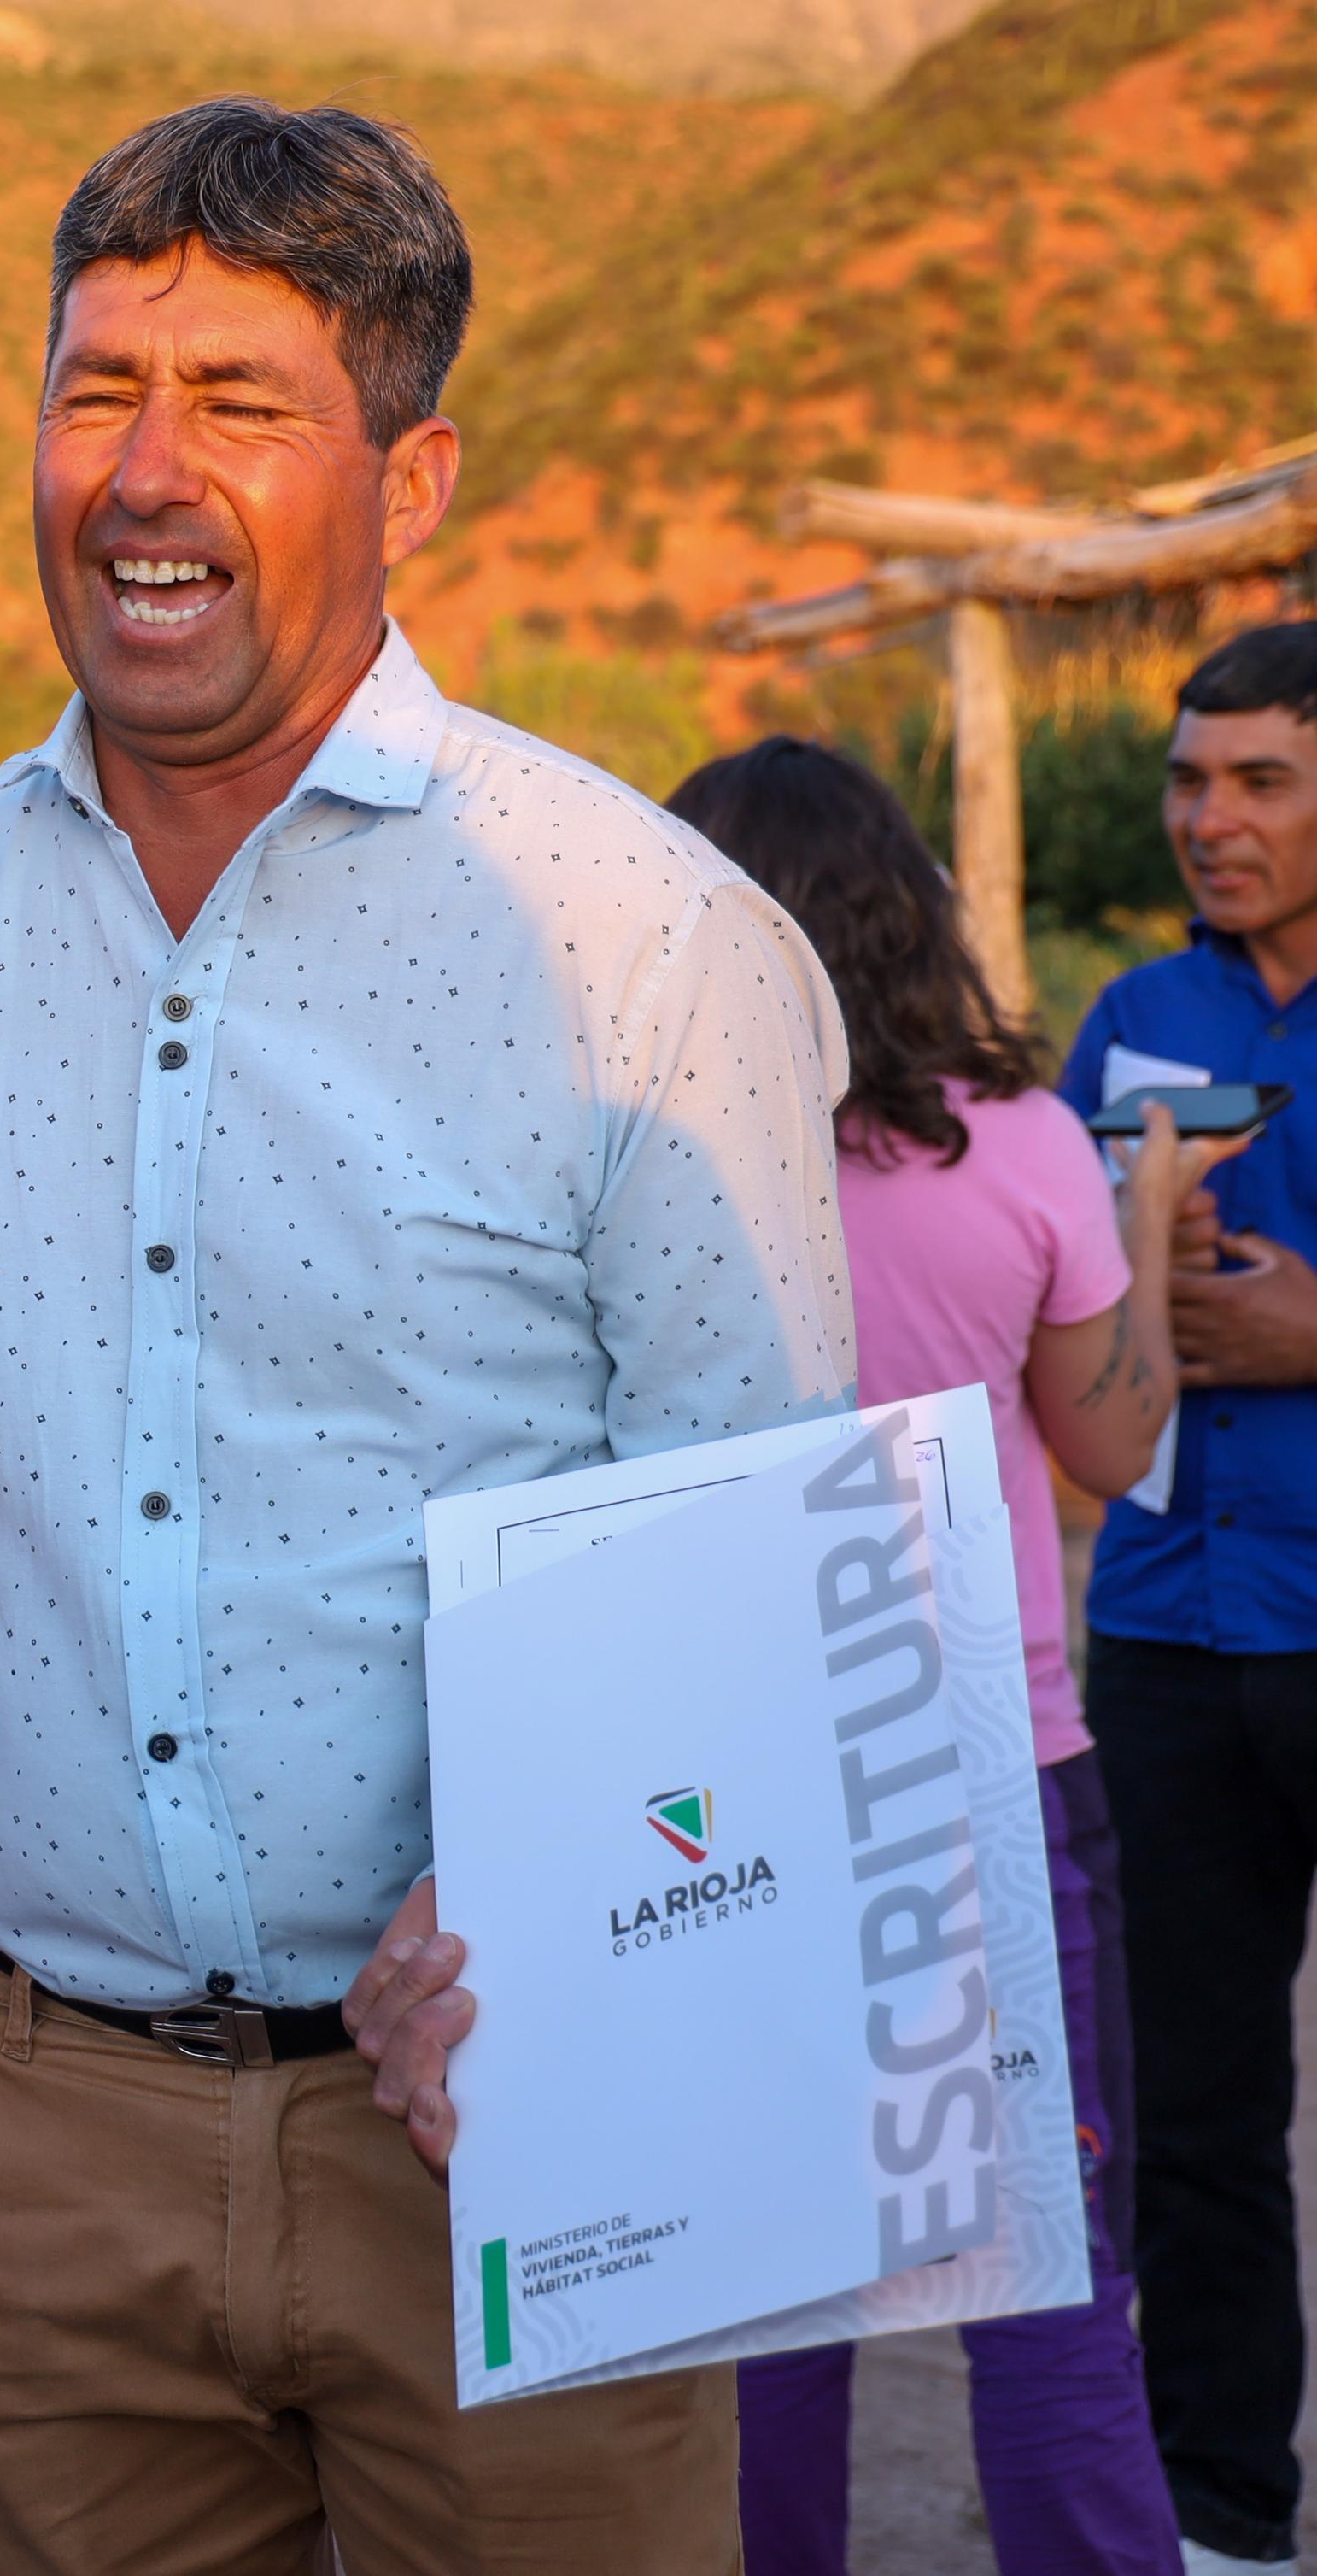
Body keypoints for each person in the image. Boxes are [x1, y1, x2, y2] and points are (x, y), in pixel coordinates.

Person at [0, 98, 850, 2574]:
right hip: (30, 2132)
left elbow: (760, 1538)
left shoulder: (642, 940)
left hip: (521, 2109)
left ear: (417, 468)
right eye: (95, 387)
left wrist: (551, 1878)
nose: (143, 473)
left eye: (239, 401)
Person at [675, 736, 1203, 2576]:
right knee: (1044, 2285)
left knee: (759, 2300)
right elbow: (1114, 1450)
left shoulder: (644, 1160)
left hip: (723, 1780)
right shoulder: (1030, 1148)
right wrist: (1139, 1216)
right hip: (985, 1765)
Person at [1059, 620, 1317, 2576]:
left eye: (1256, 780)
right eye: (1184, 780)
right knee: (1195, 2112)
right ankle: (1221, 2517)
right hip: (1154, 1624)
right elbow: (1062, 1303)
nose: (1203, 819)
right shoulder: (1133, 1016)